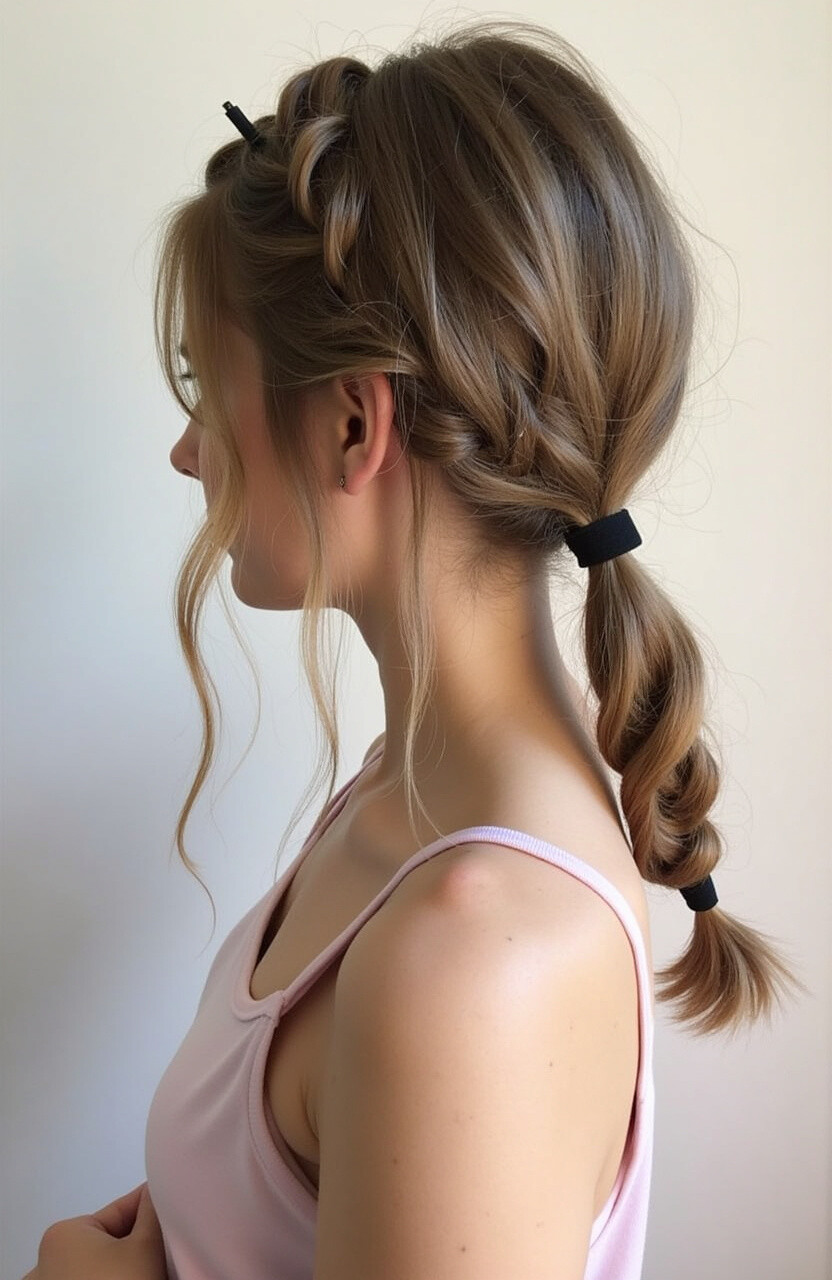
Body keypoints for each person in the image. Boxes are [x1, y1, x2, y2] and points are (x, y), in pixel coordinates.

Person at [24, 17, 806, 1280]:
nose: (186, 451)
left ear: (352, 423)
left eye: (203, 385)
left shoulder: (472, 955)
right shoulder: (414, 791)